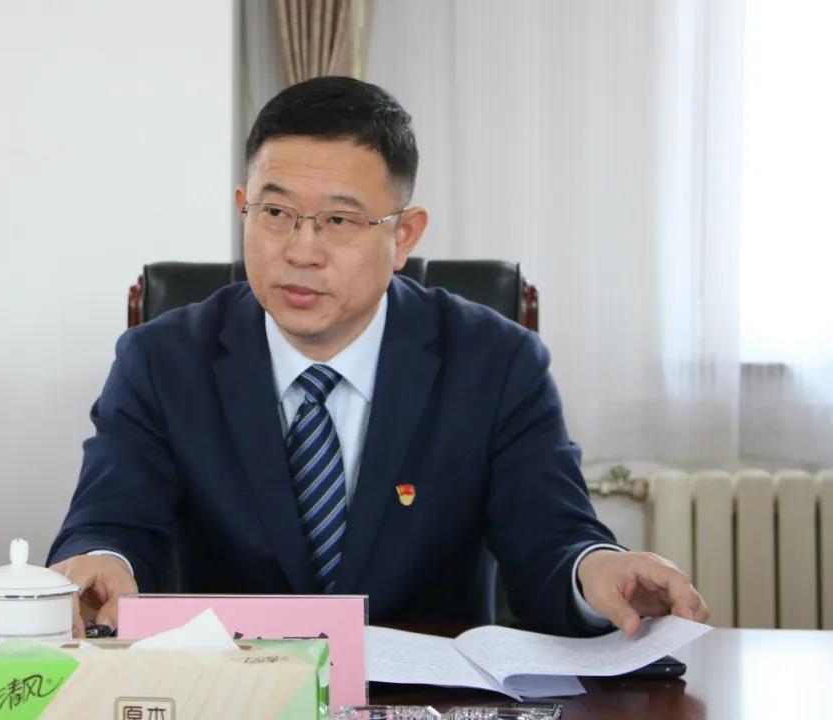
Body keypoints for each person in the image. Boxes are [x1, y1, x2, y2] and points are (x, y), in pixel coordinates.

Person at [47, 76, 708, 639]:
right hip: (234, 691)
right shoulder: (162, 361)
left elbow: (550, 539)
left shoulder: (496, 363)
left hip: (426, 697)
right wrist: (101, 562)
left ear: (404, 236)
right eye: (275, 212)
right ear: (243, 208)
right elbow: (110, 524)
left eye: (339, 221)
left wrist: (597, 569)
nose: (301, 250)